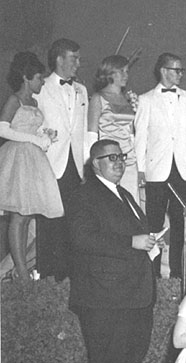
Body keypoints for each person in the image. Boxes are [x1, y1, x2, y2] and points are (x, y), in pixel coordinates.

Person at [64, 139, 159, 363]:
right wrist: (131, 243)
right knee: (109, 359)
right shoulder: (83, 195)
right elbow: (82, 239)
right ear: (96, 164)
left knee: (134, 349)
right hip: (102, 293)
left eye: (121, 157)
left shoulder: (124, 194)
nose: (119, 162)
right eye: (111, 158)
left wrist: (149, 242)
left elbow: (131, 234)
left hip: (131, 292)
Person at [134, 52, 186, 278]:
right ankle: (153, 275)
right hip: (156, 172)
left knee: (180, 225)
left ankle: (177, 275)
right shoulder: (146, 99)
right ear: (163, 71)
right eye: (176, 70)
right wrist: (140, 169)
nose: (180, 74)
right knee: (154, 225)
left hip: (183, 171)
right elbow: (140, 137)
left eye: (182, 70)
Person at [0, 52, 62, 281]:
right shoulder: (14, 100)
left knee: (27, 217)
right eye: (38, 77)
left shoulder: (34, 102)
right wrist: (35, 139)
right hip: (17, 160)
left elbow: (28, 127)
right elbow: (3, 129)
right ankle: (22, 272)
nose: (42, 82)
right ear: (26, 78)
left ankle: (19, 269)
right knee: (18, 216)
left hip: (32, 160)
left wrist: (44, 135)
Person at [35, 38, 87, 281]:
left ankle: (68, 277)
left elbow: (83, 130)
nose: (78, 63)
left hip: (75, 165)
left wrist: (87, 165)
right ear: (59, 59)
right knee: (49, 222)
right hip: (50, 163)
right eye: (74, 58)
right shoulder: (42, 87)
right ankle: (47, 276)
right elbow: (33, 122)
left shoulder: (81, 90)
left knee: (73, 221)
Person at [87, 54, 140, 203]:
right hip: (107, 160)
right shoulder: (98, 98)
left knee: (131, 201)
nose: (125, 75)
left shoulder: (126, 99)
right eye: (121, 71)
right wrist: (90, 166)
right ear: (109, 73)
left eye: (127, 71)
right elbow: (91, 134)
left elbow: (130, 133)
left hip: (128, 159)